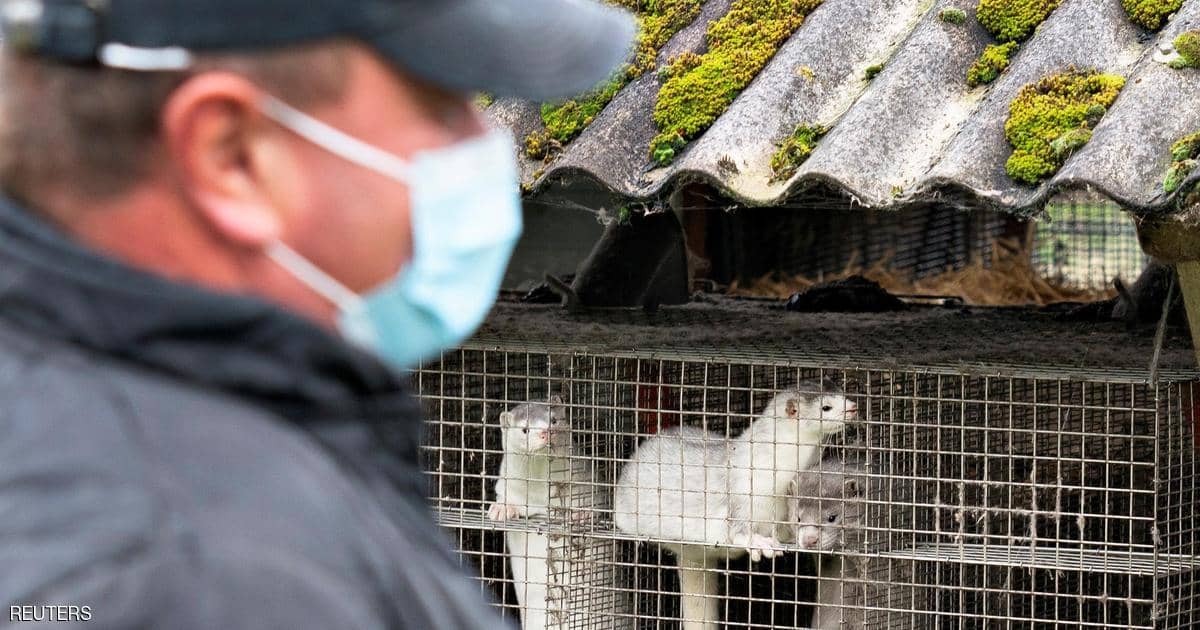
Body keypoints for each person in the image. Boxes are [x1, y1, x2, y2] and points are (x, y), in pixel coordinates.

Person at [0, 0, 635, 628]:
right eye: (444, 103)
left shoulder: (153, 462)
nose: (493, 143)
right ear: (233, 155)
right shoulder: (205, 575)